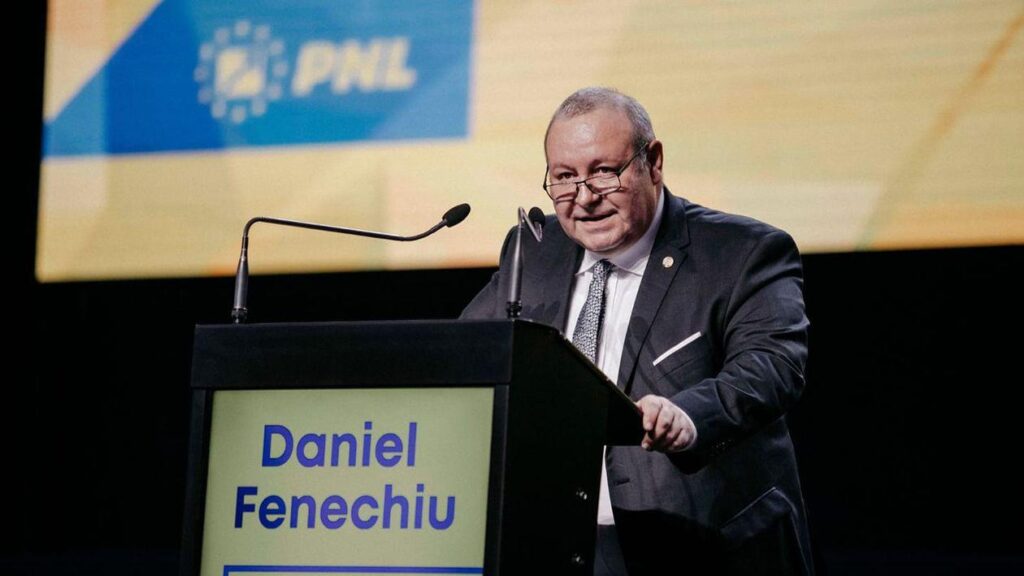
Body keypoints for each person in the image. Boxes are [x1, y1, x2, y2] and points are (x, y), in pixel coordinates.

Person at [461, 87, 813, 575]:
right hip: (557, 544)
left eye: (604, 171)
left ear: (654, 162)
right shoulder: (534, 252)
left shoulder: (742, 253)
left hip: (703, 549)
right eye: (564, 177)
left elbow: (771, 367)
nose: (584, 197)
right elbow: (465, 355)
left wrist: (688, 416)